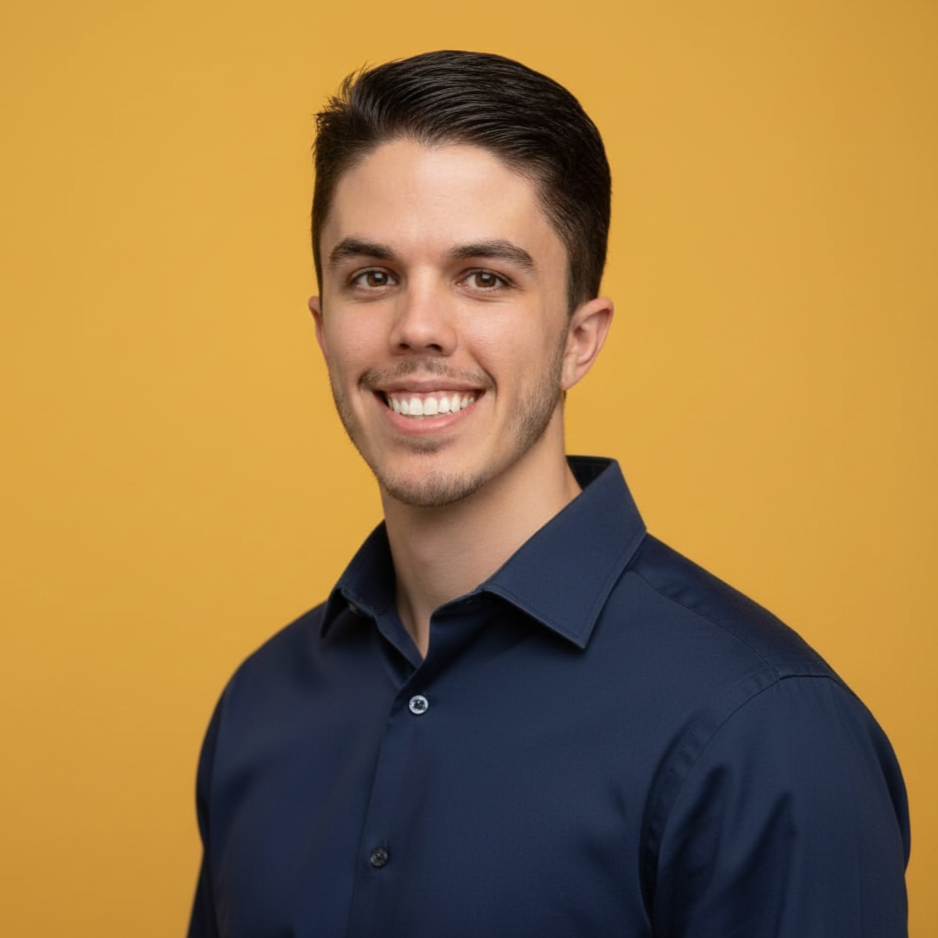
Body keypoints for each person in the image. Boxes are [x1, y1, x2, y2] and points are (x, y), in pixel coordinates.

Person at [187, 51, 910, 937]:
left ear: (579, 338)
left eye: (484, 277)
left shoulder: (764, 733)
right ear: (324, 324)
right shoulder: (260, 708)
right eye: (372, 276)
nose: (418, 328)